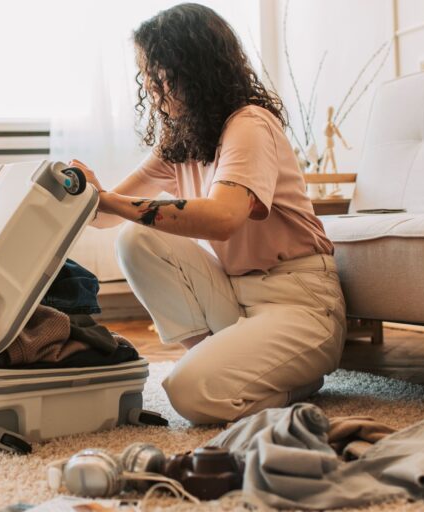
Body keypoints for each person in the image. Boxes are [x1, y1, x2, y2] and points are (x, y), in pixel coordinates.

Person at [67, 3, 346, 425]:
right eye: (146, 75)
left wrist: (109, 201)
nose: (151, 87)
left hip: (299, 301)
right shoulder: (180, 144)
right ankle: (219, 361)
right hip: (235, 296)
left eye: (159, 73)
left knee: (190, 394)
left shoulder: (250, 124)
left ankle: (290, 383)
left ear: (194, 69)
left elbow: (223, 218)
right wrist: (83, 192)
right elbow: (107, 216)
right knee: (135, 237)